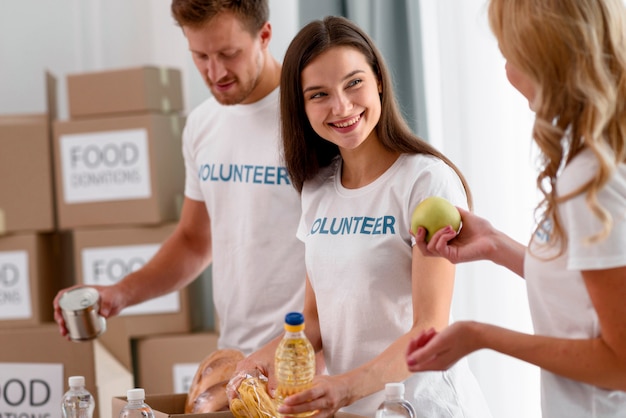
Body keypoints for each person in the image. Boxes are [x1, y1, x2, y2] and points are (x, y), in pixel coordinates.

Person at [228, 15, 493, 417]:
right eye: (318, 94)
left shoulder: (425, 181)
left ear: (379, 81)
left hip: (423, 407)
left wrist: (345, 387)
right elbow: (317, 320)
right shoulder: (317, 189)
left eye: (354, 83)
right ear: (300, 107)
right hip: (354, 409)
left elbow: (430, 328)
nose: (342, 106)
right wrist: (264, 357)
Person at [405, 0, 626, 417]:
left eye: (510, 54)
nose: (506, 72)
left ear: (547, 58)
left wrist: (480, 335)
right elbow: (587, 296)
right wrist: (494, 244)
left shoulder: (591, 177)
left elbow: (621, 363)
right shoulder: (598, 153)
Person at [53, 0, 306, 357]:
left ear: (264, 35)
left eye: (229, 53)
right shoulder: (203, 124)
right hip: (236, 354)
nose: (215, 72)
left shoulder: (312, 115)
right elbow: (193, 240)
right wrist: (120, 293)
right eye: (200, 56)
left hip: (308, 355)